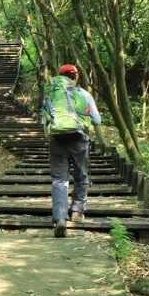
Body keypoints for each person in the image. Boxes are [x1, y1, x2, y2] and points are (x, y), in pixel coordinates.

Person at [41, 64, 102, 238]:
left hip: (57, 140)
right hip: (79, 140)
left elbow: (44, 118)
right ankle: (77, 212)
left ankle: (60, 217)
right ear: (76, 77)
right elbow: (97, 121)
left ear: (60, 77)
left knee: (59, 180)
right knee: (81, 175)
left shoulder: (52, 93)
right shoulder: (84, 94)